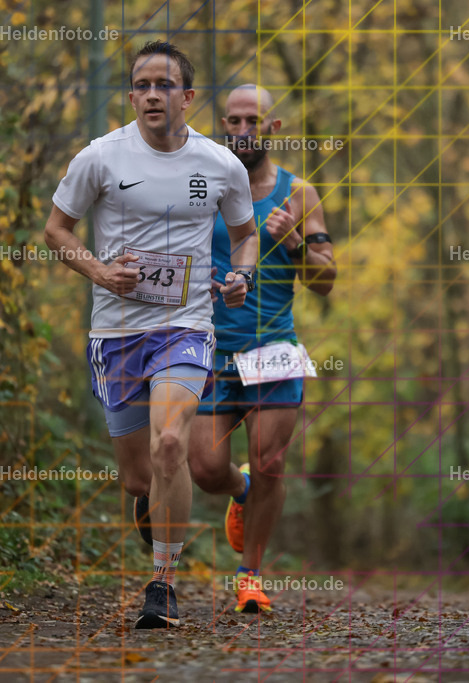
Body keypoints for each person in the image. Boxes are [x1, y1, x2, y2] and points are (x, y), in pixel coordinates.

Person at [43, 41, 258, 629]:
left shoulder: (220, 165)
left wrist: (240, 275)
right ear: (132, 95)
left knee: (172, 444)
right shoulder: (101, 157)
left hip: (185, 326)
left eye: (164, 85)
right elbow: (57, 230)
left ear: (187, 97)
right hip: (116, 334)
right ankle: (154, 507)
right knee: (140, 476)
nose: (151, 94)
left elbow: (245, 234)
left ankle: (161, 585)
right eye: (141, 85)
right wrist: (99, 270)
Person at [190, 84, 336, 613]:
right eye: (233, 121)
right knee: (206, 470)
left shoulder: (299, 193)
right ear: (223, 126)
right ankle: (241, 491)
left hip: (273, 347)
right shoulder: (200, 187)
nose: (243, 131)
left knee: (270, 462)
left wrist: (295, 242)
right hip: (210, 348)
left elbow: (327, 281)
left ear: (272, 128)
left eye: (253, 121)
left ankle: (249, 576)